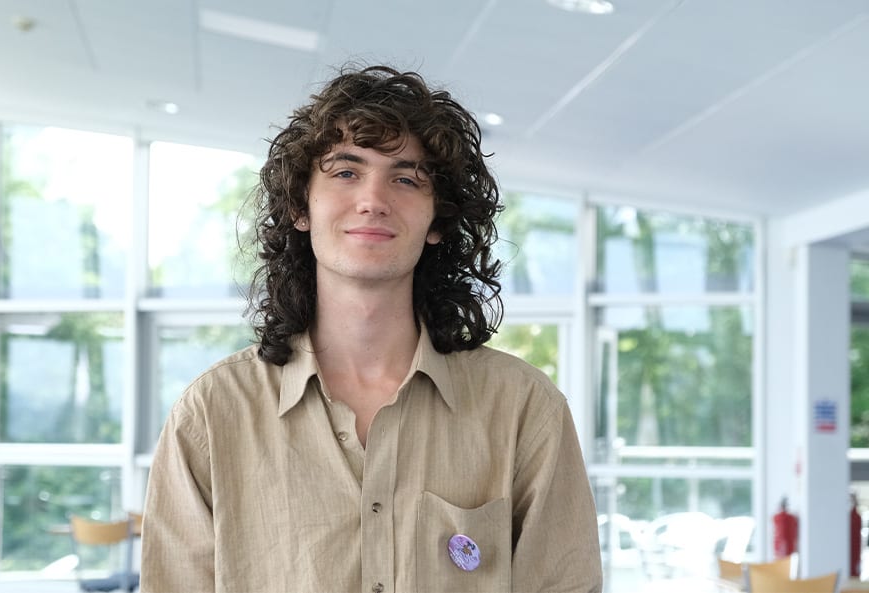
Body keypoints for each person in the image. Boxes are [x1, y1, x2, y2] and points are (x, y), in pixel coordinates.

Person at [141, 63, 602, 593]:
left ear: (438, 221)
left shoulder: (523, 409)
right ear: (300, 207)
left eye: (406, 178)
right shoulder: (211, 415)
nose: (373, 200)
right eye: (345, 172)